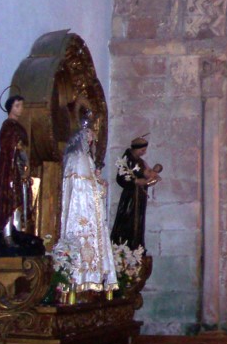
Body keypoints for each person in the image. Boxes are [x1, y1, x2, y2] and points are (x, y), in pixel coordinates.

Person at [60, 112, 117, 292]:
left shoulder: (88, 160)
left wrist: (100, 185)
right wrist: (95, 185)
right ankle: (78, 280)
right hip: (81, 211)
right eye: (89, 138)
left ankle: (95, 281)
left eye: (92, 139)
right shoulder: (76, 158)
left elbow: (92, 183)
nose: (91, 142)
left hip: (92, 211)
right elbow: (78, 186)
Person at [0, 94, 34, 242]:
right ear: (10, 107)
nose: (20, 109)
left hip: (20, 167)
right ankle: (7, 234)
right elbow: (9, 147)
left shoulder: (19, 127)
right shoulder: (7, 126)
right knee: (9, 199)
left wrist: (25, 164)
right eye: (17, 106)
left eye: (21, 105)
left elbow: (24, 148)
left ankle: (17, 232)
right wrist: (18, 148)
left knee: (20, 200)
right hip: (9, 168)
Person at [111, 136, 159, 250]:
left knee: (138, 223)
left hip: (140, 197)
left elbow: (146, 175)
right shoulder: (127, 160)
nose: (144, 152)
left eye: (145, 150)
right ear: (135, 148)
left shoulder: (141, 162)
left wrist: (149, 181)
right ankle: (124, 248)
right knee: (127, 220)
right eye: (142, 150)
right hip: (130, 197)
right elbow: (120, 178)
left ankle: (136, 247)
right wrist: (136, 181)